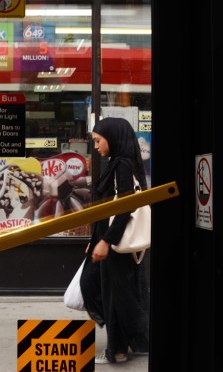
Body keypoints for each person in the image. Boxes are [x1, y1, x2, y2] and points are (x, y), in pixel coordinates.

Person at [80, 117, 150, 364]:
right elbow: (107, 207)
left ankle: (118, 350)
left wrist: (106, 241)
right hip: (107, 238)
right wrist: (95, 238)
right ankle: (127, 342)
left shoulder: (122, 164)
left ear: (113, 137)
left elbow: (124, 208)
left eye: (98, 140)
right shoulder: (116, 162)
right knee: (104, 289)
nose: (96, 146)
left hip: (116, 242)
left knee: (115, 295)